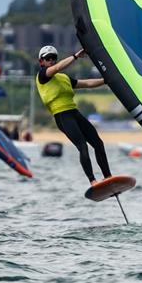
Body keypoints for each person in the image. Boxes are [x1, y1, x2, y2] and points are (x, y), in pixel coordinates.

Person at [35, 45, 111, 184]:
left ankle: (108, 177)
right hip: (62, 116)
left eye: (54, 58)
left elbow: (87, 83)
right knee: (82, 146)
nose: (51, 60)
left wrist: (107, 80)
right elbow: (57, 68)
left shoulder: (64, 78)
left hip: (74, 113)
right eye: (48, 58)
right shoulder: (42, 76)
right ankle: (92, 181)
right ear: (42, 62)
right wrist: (76, 56)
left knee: (98, 143)